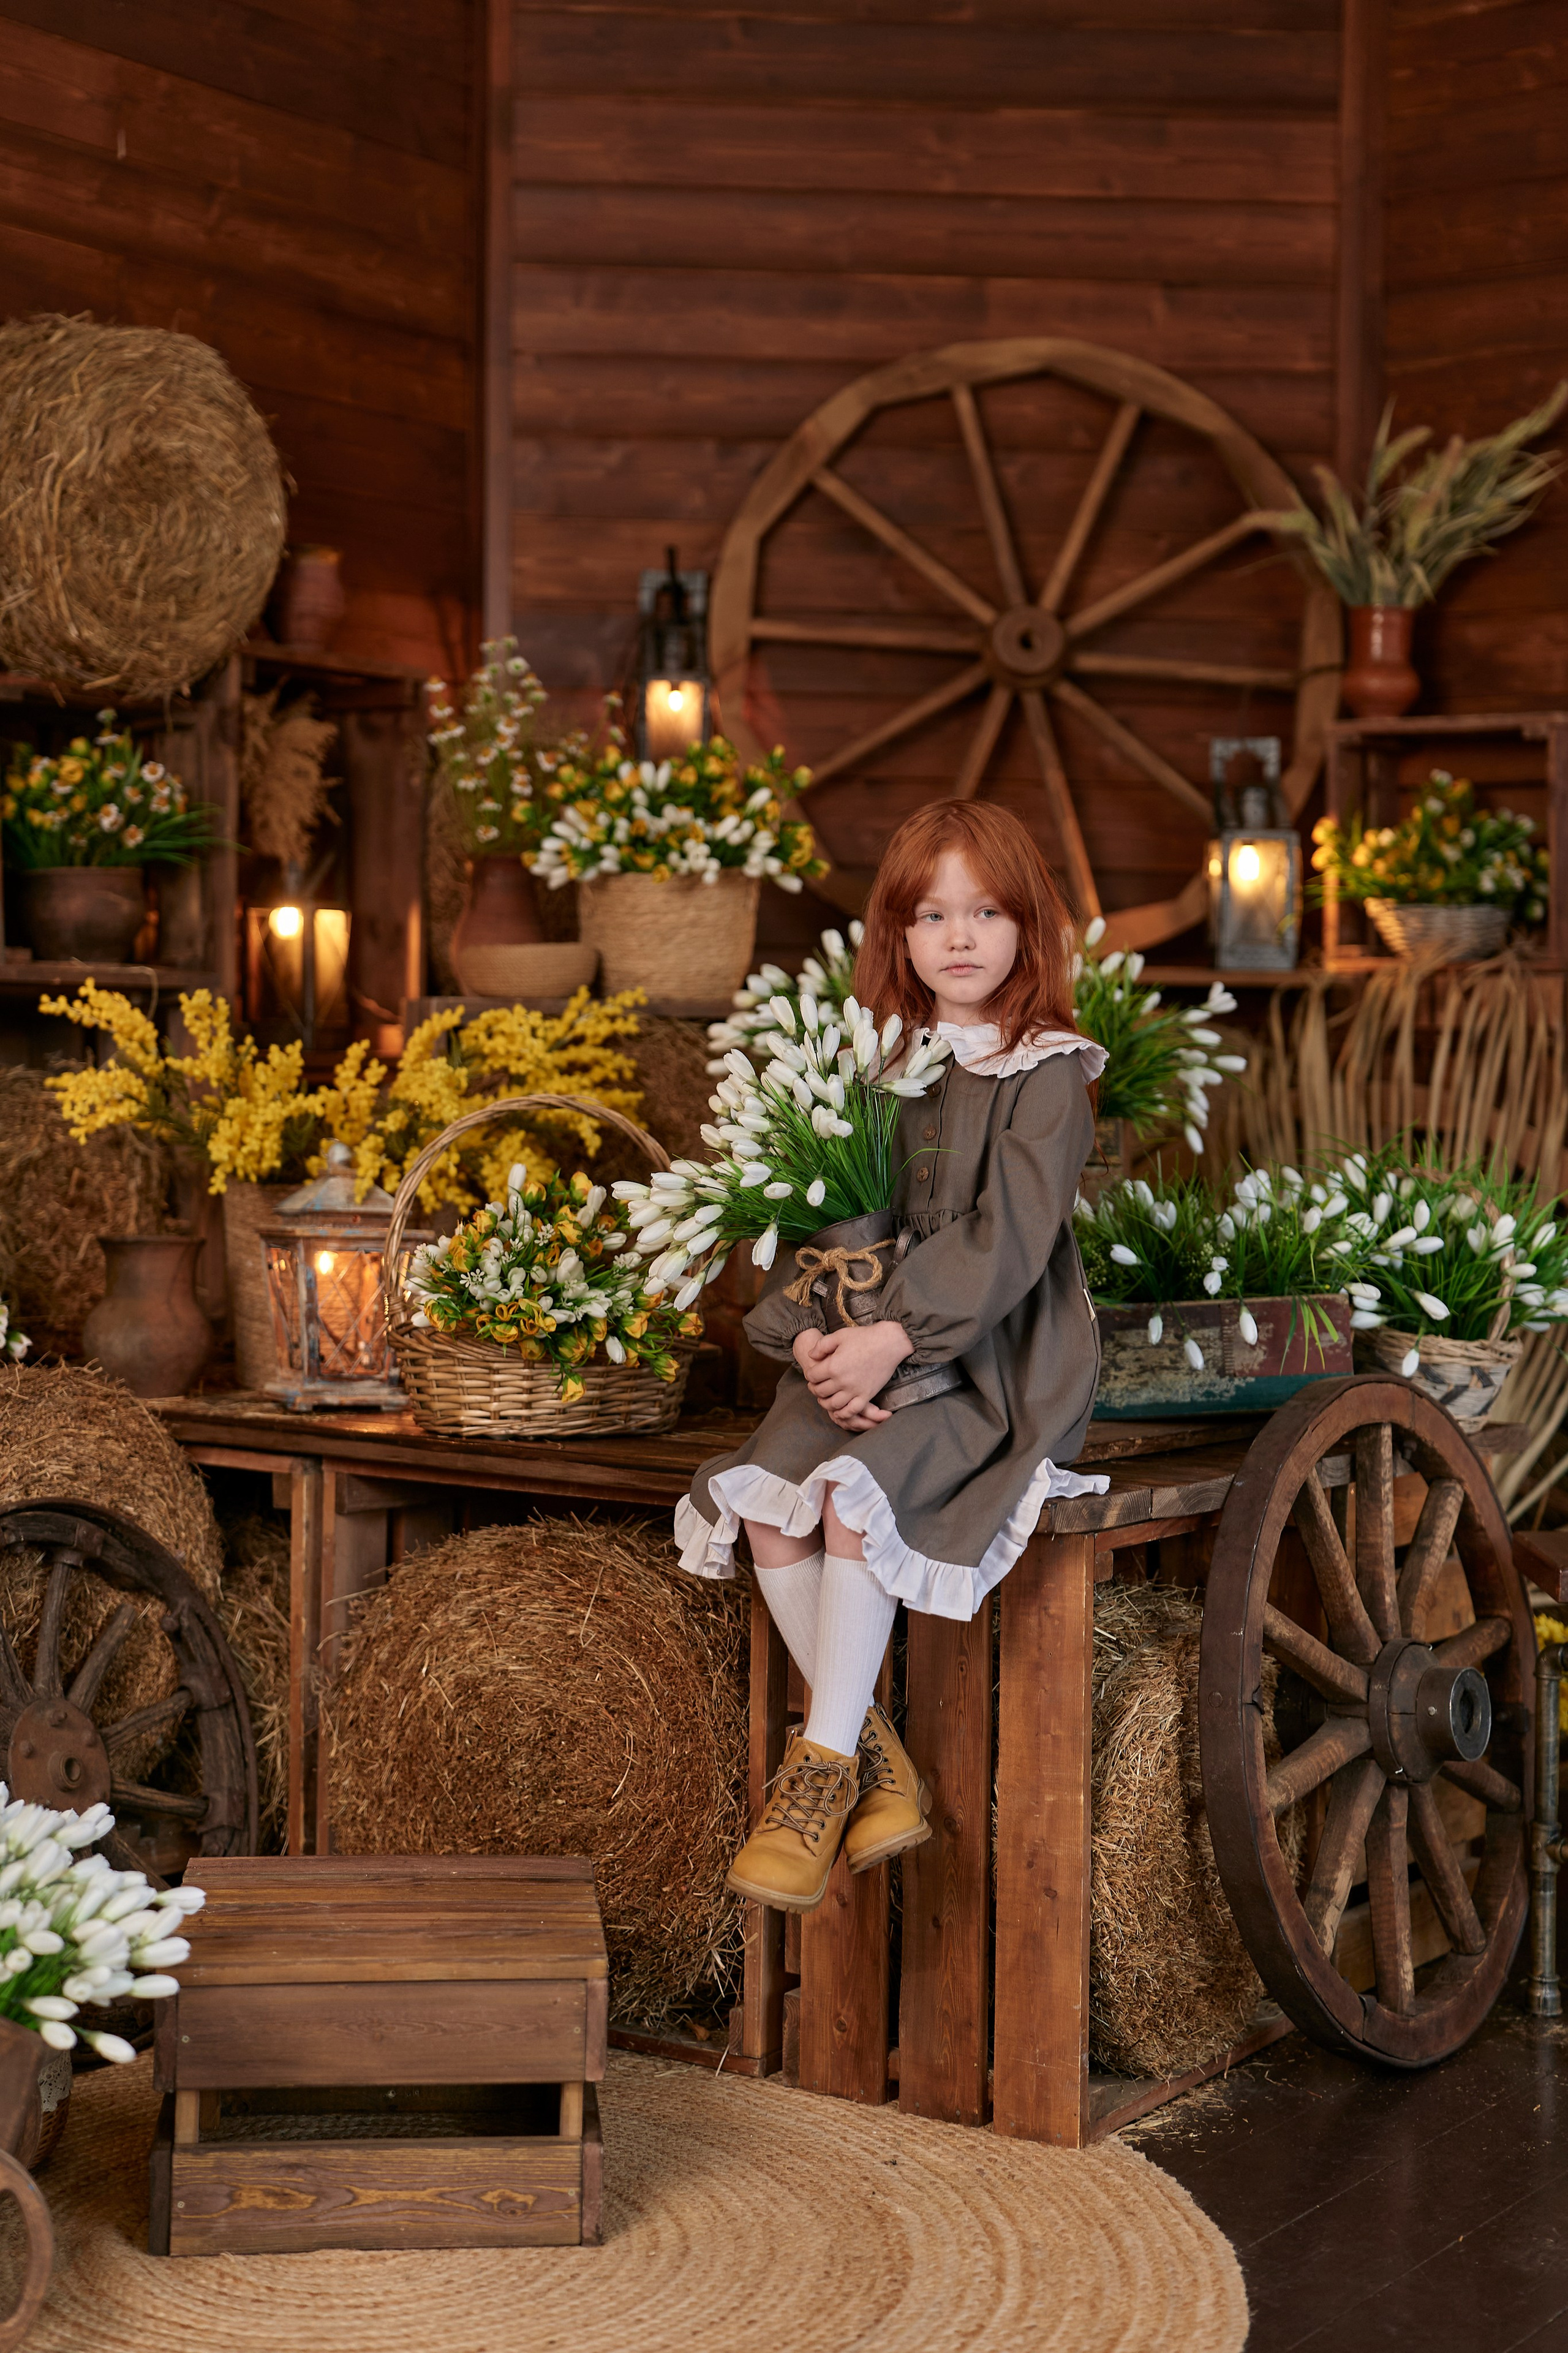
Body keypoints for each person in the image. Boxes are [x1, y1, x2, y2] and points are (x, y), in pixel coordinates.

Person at [673, 801, 1110, 1909]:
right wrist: (815, 1334)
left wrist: (893, 1334)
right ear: (899, 935)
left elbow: (1007, 1241)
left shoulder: (1046, 1073)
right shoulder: (878, 1070)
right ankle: (875, 1761)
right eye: (932, 914)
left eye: (986, 911)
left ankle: (816, 1776)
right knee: (769, 1499)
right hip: (864, 1345)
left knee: (853, 1499)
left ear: (1028, 928)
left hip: (995, 1365)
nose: (959, 937)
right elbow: (828, 1216)